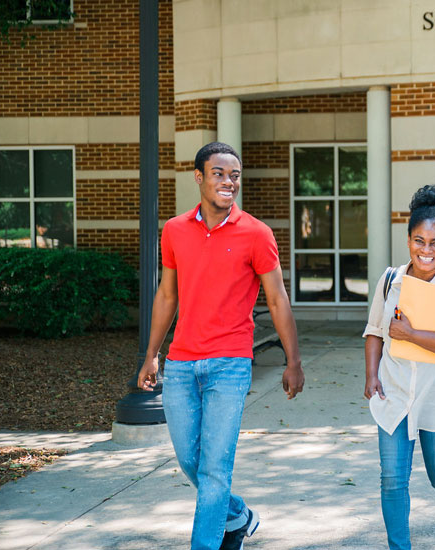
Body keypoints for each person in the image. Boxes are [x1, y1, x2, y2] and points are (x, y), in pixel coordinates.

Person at [137, 142, 304, 550]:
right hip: (180, 364)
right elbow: (166, 296)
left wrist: (293, 360)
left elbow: (278, 298)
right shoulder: (175, 230)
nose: (229, 182)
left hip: (230, 364)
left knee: (214, 469)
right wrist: (152, 354)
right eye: (219, 173)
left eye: (235, 175)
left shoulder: (257, 234)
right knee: (192, 462)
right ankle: (239, 516)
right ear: (199, 177)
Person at [363, 185, 435, 550]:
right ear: (408, 239)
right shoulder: (390, 280)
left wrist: (412, 333)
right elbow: (374, 331)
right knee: (392, 480)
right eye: (419, 240)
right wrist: (371, 375)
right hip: (395, 394)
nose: (425, 250)